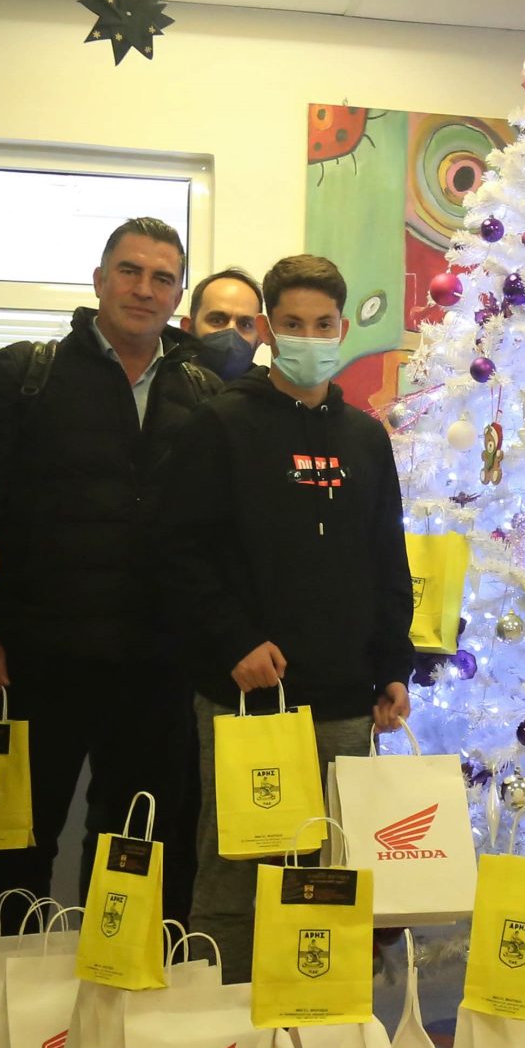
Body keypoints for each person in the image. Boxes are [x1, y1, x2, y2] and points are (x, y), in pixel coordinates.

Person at [0, 217, 223, 937]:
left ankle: (119, 990)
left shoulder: (203, 390)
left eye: (162, 278)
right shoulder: (25, 374)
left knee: (138, 847)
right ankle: (12, 1001)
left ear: (178, 296)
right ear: (100, 280)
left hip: (156, 668)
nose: (144, 289)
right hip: (39, 660)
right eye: (130, 271)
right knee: (21, 845)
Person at [158, 254, 412, 981]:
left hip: (345, 701)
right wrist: (235, 640)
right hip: (249, 699)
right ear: (269, 330)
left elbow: (386, 556)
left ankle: (318, 1028)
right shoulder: (220, 424)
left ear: (342, 328)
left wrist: (393, 666)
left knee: (332, 876)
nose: (310, 336)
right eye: (293, 323)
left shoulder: (365, 437)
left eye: (323, 324)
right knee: (238, 877)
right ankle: (226, 1027)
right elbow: (180, 552)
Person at [181, 266, 265, 380]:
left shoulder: (271, 391)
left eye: (245, 325)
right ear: (187, 328)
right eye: (217, 320)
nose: (231, 334)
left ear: (259, 338)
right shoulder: (161, 385)